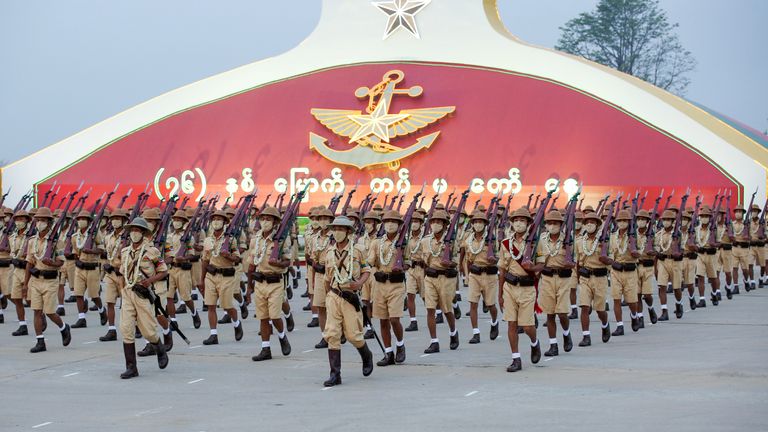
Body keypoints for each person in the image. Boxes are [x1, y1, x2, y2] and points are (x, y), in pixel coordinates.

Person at [322, 216, 374, 387]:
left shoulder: (358, 250)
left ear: (348, 232)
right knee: (332, 334)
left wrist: (359, 283)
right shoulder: (329, 252)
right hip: (334, 295)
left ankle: (366, 355)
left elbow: (366, 270)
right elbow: (327, 278)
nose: (337, 232)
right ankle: (335, 374)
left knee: (353, 335)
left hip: (350, 297)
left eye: (341, 229)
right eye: (335, 229)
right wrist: (328, 295)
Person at [117, 217, 169, 378]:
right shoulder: (125, 251)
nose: (134, 233)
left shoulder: (151, 251)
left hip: (143, 294)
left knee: (149, 331)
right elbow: (122, 274)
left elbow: (163, 271)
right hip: (128, 292)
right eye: (132, 230)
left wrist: (149, 281)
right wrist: (122, 291)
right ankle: (131, 367)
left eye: (138, 230)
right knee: (126, 329)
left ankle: (159, 347)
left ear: (144, 233)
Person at [497, 207, 541, 372]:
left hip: (527, 288)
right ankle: (516, 359)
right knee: (512, 324)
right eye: (516, 220)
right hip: (509, 286)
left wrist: (533, 267)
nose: (519, 223)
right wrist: (500, 293)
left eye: (522, 220)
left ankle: (534, 343)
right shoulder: (506, 243)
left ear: (528, 223)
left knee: (528, 326)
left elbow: (542, 265)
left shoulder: (536, 243)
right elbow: (502, 269)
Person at [24, 207, 72, 353]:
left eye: (43, 220)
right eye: (38, 220)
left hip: (50, 280)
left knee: (50, 312)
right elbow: (29, 262)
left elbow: (61, 261)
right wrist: (25, 284)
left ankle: (64, 327)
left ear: (49, 223)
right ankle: (40, 341)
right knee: (37, 311)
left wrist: (51, 263)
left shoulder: (57, 241)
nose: (40, 223)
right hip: (36, 279)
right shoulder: (32, 241)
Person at [248, 206, 292, 361]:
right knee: (263, 318)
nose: (265, 221)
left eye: (269, 219)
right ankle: (265, 349)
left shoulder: (280, 239)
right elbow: (251, 264)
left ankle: (282, 335)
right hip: (260, 281)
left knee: (274, 317)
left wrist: (278, 263)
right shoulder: (255, 239)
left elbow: (288, 261)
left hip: (275, 282)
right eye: (263, 218)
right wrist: (248, 287)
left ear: (275, 222)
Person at [367, 210, 407, 366]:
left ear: (399, 225)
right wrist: (376, 273)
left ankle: (400, 344)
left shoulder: (403, 243)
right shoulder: (377, 243)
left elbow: (409, 262)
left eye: (394, 222)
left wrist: (402, 267)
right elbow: (371, 262)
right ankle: (388, 352)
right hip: (380, 285)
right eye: (387, 221)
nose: (390, 224)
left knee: (394, 319)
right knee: (383, 320)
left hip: (396, 285)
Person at [420, 210, 460, 354]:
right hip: (430, 278)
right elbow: (423, 261)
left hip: (446, 278)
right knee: (430, 309)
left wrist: (449, 263)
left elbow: (457, 261)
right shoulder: (425, 241)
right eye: (433, 221)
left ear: (444, 224)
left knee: (447, 309)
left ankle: (453, 332)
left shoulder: (452, 241)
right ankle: (434, 342)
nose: (435, 224)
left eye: (439, 222)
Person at [201, 210, 244, 345]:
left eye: (219, 219)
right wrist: (201, 279)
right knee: (211, 305)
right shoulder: (208, 240)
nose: (216, 221)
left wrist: (228, 256)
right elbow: (205, 260)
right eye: (214, 219)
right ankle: (213, 334)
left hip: (226, 276)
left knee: (227, 306)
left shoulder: (231, 239)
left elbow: (237, 259)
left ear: (225, 223)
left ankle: (236, 323)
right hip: (211, 276)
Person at [461, 210, 500, 344]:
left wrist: (493, 259)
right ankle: (476, 333)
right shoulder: (468, 240)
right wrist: (467, 275)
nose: (478, 224)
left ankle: (494, 322)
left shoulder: (493, 240)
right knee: (473, 303)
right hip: (475, 275)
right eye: (476, 222)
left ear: (485, 224)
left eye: (480, 222)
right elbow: (467, 260)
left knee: (490, 305)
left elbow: (499, 257)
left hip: (489, 275)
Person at [574, 212, 612, 346]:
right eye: (587, 222)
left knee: (600, 310)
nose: (590, 225)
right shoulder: (579, 242)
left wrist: (605, 258)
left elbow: (611, 260)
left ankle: (605, 324)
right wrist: (578, 278)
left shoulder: (605, 241)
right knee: (584, 307)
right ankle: (586, 336)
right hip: (585, 278)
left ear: (597, 225)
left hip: (600, 278)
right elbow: (577, 262)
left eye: (593, 222)